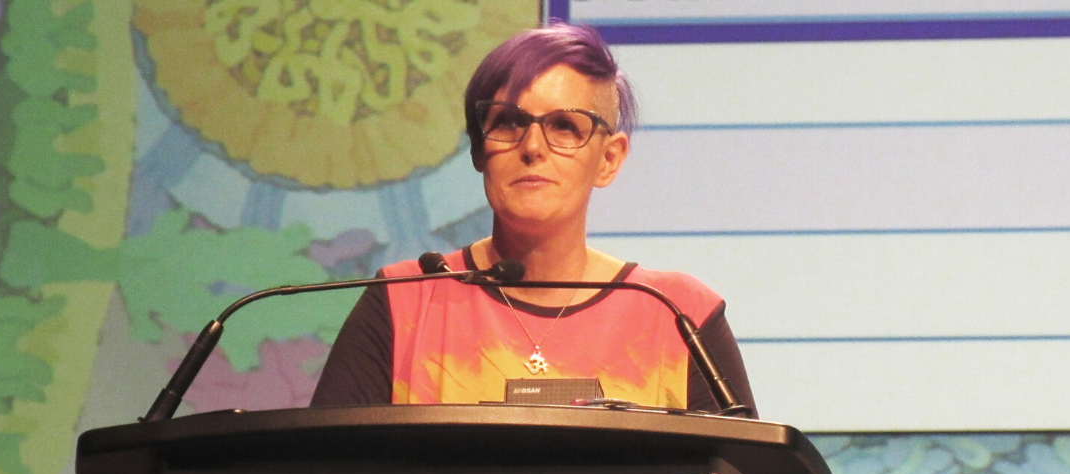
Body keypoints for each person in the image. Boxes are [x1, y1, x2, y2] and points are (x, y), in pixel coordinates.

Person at [312, 23, 756, 414]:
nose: (532, 147)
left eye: (564, 125)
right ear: (478, 149)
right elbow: (325, 472)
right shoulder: (403, 301)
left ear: (608, 159)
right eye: (508, 122)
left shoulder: (678, 314)